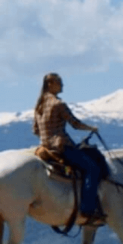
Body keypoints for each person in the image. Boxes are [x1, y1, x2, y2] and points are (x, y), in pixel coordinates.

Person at [33, 72, 103, 224]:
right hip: (61, 147)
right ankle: (87, 209)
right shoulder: (59, 104)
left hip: (44, 148)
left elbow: (35, 130)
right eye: (59, 82)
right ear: (50, 84)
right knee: (92, 169)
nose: (62, 85)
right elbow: (75, 124)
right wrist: (92, 128)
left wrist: (47, 136)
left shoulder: (39, 106)